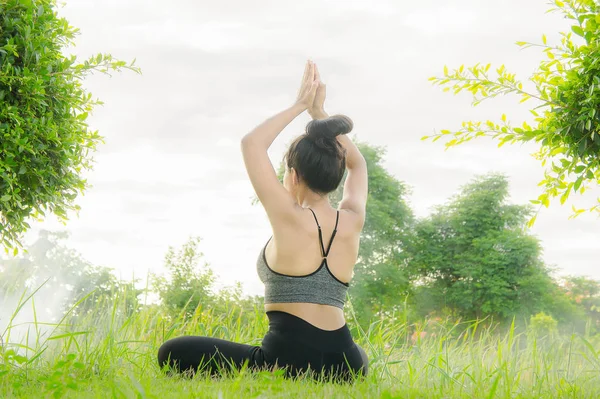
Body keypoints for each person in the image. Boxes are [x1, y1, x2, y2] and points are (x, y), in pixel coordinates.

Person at [157, 60, 369, 382]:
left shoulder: (290, 217)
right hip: (346, 364)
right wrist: (319, 113)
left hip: (289, 360)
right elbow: (358, 165)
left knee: (172, 351)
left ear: (293, 175)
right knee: (355, 355)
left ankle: (277, 369)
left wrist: (301, 104)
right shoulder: (352, 219)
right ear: (335, 174)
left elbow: (252, 143)